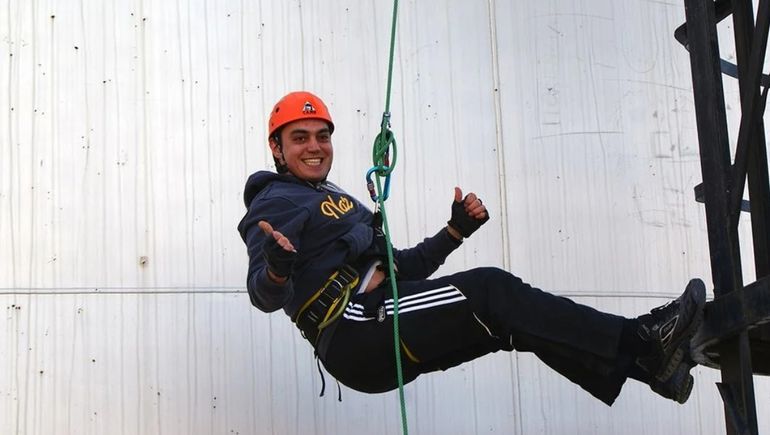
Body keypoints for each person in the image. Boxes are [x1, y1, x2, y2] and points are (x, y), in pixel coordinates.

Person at [237, 91, 706, 405]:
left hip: (381, 314)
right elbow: (263, 294)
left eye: (322, 136)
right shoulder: (275, 202)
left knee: (508, 324)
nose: (315, 146)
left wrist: (455, 230)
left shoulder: (342, 202)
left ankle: (652, 371)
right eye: (300, 138)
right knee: (490, 291)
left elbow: (405, 269)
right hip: (355, 328)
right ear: (277, 149)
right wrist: (278, 269)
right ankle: (643, 340)